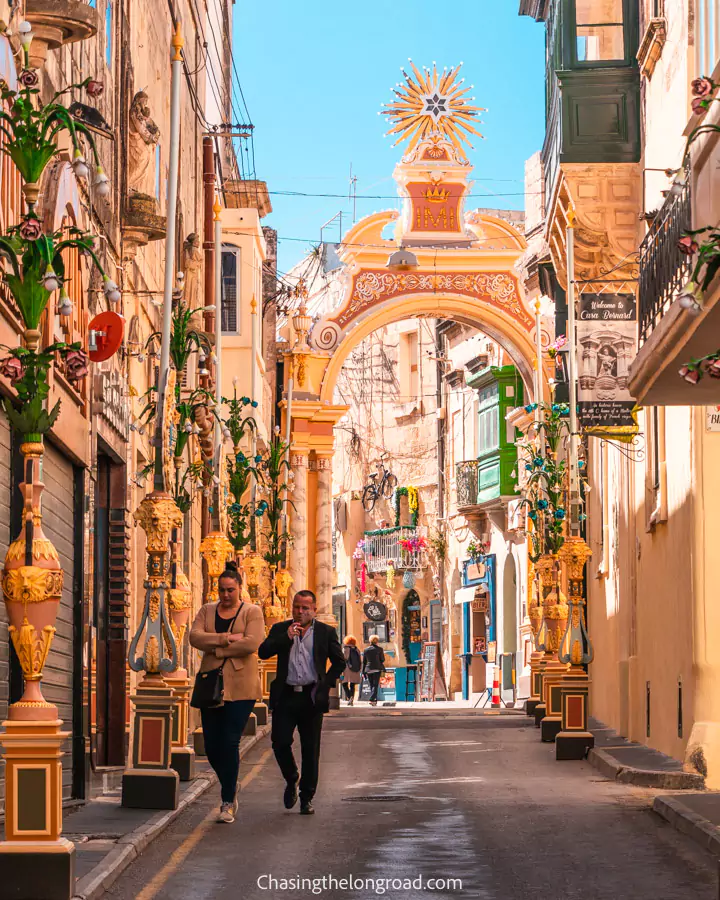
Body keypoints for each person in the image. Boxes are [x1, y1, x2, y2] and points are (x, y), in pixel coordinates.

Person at [189, 562, 264, 824]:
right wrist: (226, 638)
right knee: (211, 745)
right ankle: (231, 786)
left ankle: (226, 801)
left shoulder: (252, 611)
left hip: (241, 688)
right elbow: (195, 637)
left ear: (240, 589)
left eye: (230, 590)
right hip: (211, 685)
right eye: (221, 590)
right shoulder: (207, 610)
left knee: (230, 741)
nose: (225, 595)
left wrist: (218, 650)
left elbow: (252, 643)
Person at [258, 590, 345, 815]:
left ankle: (307, 797)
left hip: (310, 696)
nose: (300, 611)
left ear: (314, 610)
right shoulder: (280, 629)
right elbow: (263, 652)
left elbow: (339, 662)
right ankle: (291, 777)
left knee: (310, 748)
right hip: (286, 695)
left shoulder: (326, 633)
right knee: (280, 742)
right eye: (297, 607)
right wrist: (284, 637)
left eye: (305, 607)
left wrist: (325, 684)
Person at [363, 634, 385, 707]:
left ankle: (374, 700)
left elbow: (364, 662)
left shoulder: (366, 650)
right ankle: (372, 699)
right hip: (377, 668)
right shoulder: (380, 649)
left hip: (368, 669)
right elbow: (382, 659)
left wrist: (363, 671)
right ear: (377, 641)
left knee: (371, 685)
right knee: (375, 685)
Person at [341, 635, 362, 705]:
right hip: (355, 669)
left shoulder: (346, 648)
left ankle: (349, 697)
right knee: (352, 685)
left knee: (344, 683)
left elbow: (344, 658)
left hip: (346, 668)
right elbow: (360, 660)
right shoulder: (357, 649)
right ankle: (351, 698)